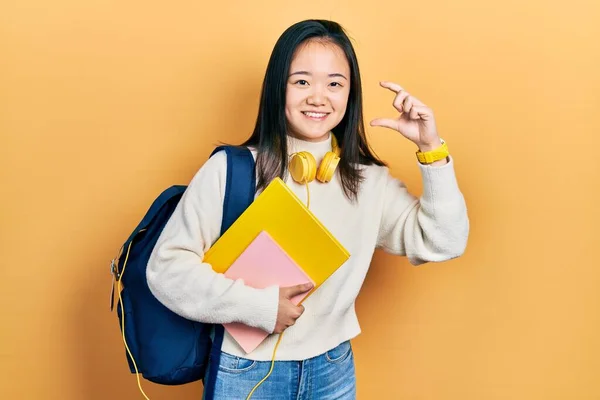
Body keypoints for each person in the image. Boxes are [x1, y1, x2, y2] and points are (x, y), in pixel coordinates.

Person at [146, 19, 469, 399]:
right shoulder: (231, 170)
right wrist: (258, 307)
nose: (319, 97)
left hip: (332, 369)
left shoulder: (369, 181)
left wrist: (431, 151)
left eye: (334, 83)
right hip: (245, 371)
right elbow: (166, 270)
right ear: (276, 89)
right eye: (301, 81)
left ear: (351, 94)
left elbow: (444, 241)